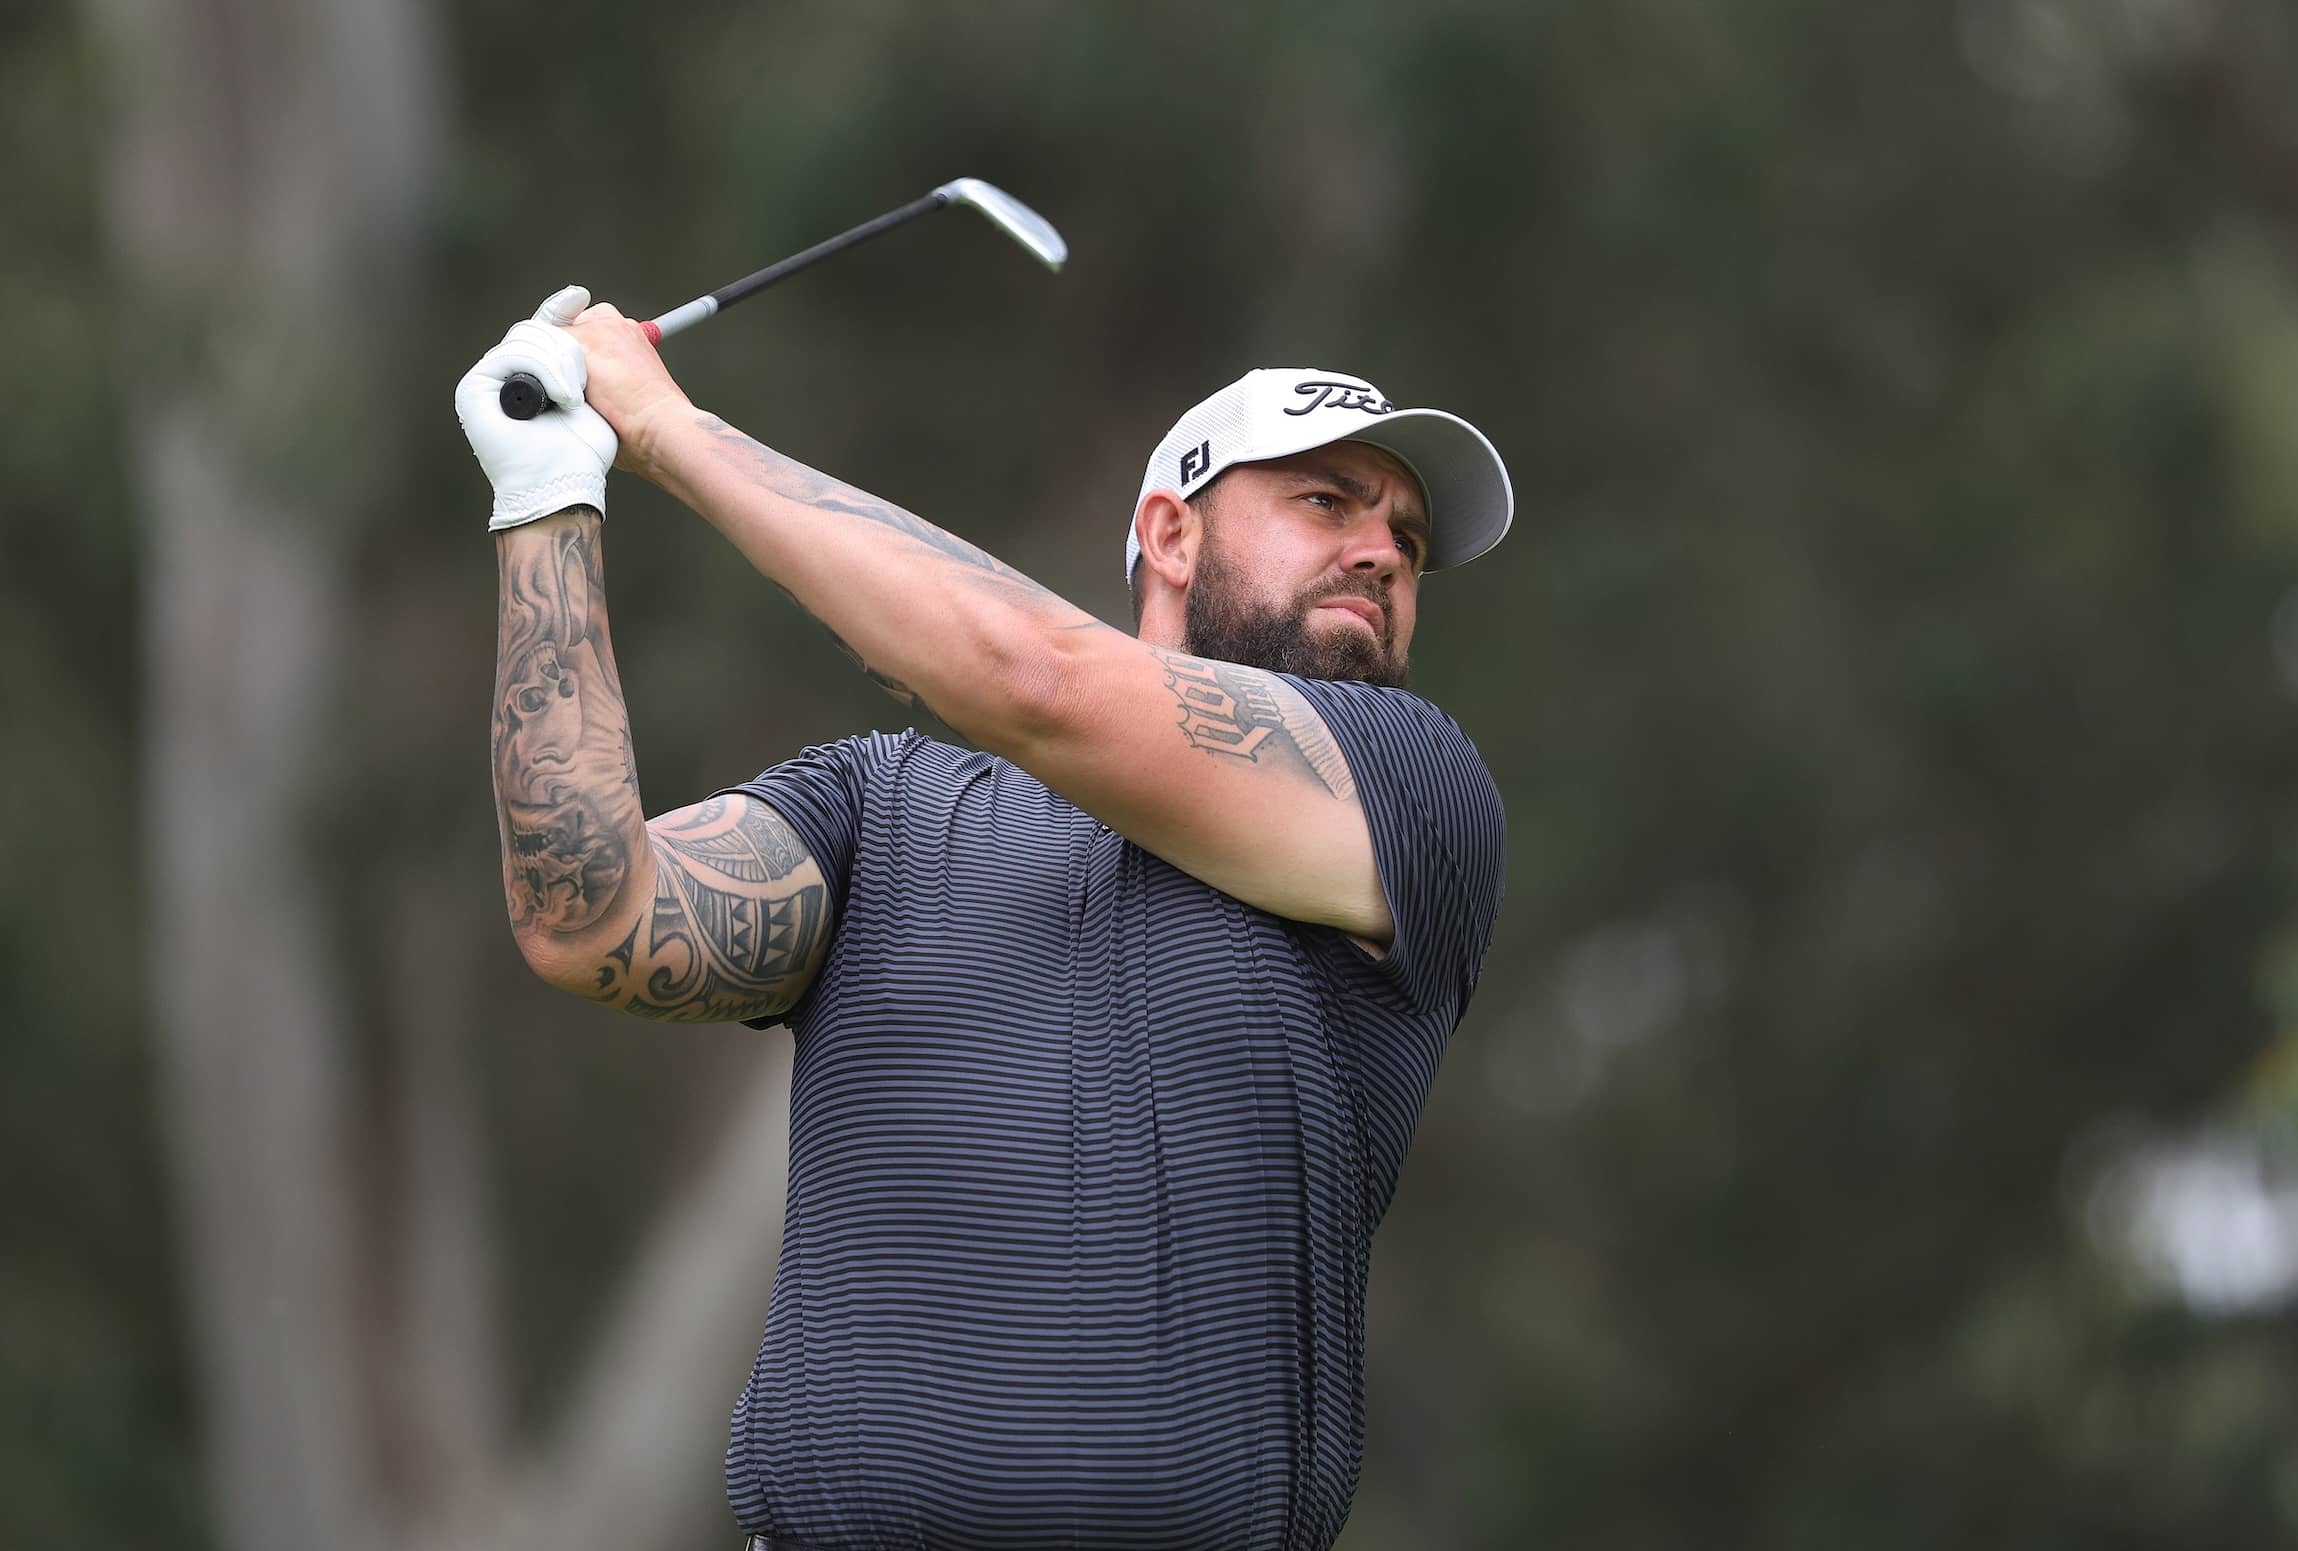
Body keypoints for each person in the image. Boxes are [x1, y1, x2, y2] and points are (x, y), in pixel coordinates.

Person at [455, 285, 1514, 1551]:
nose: (1383, 550)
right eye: (1327, 501)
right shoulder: (877, 805)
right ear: (1170, 533)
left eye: (1407, 537)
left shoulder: (1412, 793)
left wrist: (667, 427)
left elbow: (1037, 679)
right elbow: (591, 916)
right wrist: (547, 502)